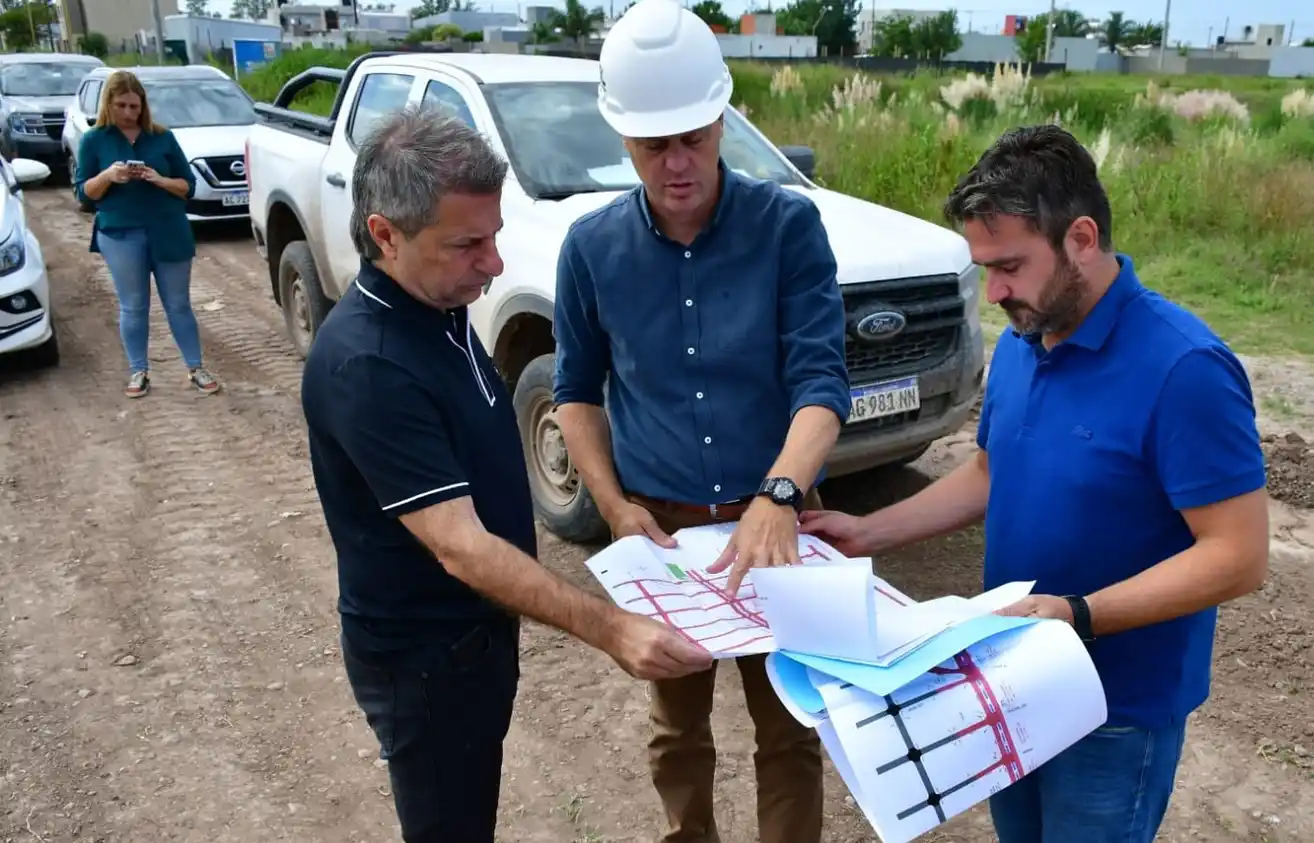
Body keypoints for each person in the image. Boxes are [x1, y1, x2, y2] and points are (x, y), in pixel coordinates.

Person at [800, 124, 1271, 843]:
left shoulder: (1185, 369)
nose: (994, 292)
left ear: (1081, 238)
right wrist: (868, 531)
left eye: (1010, 265)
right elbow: (991, 472)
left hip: (1115, 710)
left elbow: (1237, 555)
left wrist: (1078, 614)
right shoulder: (1024, 341)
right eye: (984, 267)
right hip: (1010, 681)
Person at [299, 105, 712, 843]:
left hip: (474, 642)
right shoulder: (372, 364)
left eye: (492, 238)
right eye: (466, 245)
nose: (492, 264)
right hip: (425, 665)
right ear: (384, 235)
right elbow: (459, 544)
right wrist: (611, 626)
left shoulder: (436, 309)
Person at [550, 1, 851, 840]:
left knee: (790, 726)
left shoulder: (787, 227)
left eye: (694, 136)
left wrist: (781, 492)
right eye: (655, 144)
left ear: (720, 116)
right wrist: (614, 509)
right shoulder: (591, 247)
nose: (677, 162)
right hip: (663, 531)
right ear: (622, 137)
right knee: (677, 728)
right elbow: (576, 391)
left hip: (779, 521)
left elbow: (822, 383)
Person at [74, 69, 219, 398]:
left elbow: (187, 187)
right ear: (108, 104)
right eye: (122, 106)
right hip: (120, 233)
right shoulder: (94, 140)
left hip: (168, 229)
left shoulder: (162, 137)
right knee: (134, 305)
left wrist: (158, 179)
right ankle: (139, 371)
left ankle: (196, 367)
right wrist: (109, 175)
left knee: (179, 304)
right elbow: (84, 194)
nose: (129, 113)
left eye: (134, 107)